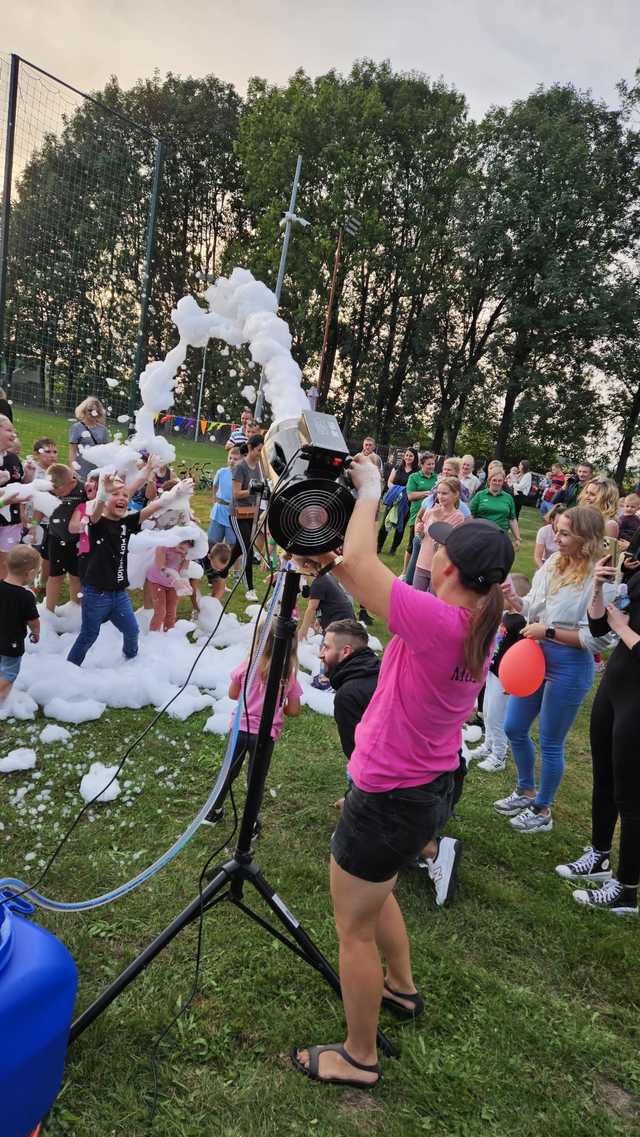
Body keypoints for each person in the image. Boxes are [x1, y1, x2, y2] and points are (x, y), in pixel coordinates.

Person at [290, 452, 513, 1089]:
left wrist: (370, 489)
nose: (431, 545)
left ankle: (359, 1057)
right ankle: (403, 988)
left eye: (439, 545)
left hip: (389, 795)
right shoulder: (478, 619)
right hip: (427, 788)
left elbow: (359, 564)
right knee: (378, 888)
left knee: (352, 928)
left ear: (448, 568)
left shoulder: (442, 622)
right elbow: (370, 575)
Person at [496, 506, 615, 833]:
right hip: (534, 656)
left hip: (569, 665)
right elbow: (532, 605)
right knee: (514, 727)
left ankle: (542, 808)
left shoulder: (599, 577)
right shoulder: (552, 562)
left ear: (587, 539)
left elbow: (598, 639)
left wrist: (547, 632)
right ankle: (525, 789)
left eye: (564, 533)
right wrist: (513, 600)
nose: (555, 538)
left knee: (550, 741)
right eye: (557, 531)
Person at [554, 553, 639, 915]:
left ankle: (627, 890)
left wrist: (622, 628)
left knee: (632, 798)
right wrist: (599, 588)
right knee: (603, 777)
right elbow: (601, 629)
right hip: (616, 685)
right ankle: (599, 857)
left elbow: (618, 628)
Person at [66, 473, 189, 666]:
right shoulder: (97, 523)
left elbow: (150, 509)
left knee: (132, 631)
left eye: (125, 495)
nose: (122, 497)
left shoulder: (125, 523)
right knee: (89, 635)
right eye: (116, 494)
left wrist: (172, 496)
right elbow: (97, 511)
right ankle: (70, 668)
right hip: (96, 594)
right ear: (106, 499)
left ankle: (130, 663)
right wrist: (102, 495)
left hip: (119, 594)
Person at [202, 619, 302, 827]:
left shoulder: (247, 666)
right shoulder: (288, 675)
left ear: (260, 641)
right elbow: (293, 710)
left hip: (239, 729)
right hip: (264, 736)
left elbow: (232, 694)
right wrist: (278, 705)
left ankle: (214, 811)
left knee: (228, 772)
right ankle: (250, 825)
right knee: (255, 780)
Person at [473, 573, 530, 772]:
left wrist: (513, 681)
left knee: (496, 716)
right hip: (493, 671)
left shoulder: (522, 624)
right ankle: (488, 745)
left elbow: (524, 655)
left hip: (505, 677)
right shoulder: (506, 617)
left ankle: (499, 755)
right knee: (487, 712)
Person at [320, 618, 380, 772]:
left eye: (326, 648)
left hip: (385, 782)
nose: (321, 654)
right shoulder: (384, 672)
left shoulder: (348, 696)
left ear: (346, 651)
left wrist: (355, 793)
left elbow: (358, 755)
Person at [0, 544, 40, 703]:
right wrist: (36, 633)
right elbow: (33, 621)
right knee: (9, 674)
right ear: (30, 573)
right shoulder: (26, 597)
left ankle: (4, 699)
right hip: (12, 643)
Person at [45, 463, 86, 612]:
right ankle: (48, 610)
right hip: (56, 537)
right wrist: (34, 524)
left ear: (72, 482)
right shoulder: (49, 489)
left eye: (59, 490)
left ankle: (75, 607)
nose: (55, 493)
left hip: (77, 540)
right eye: (52, 490)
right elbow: (39, 505)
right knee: (55, 575)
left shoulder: (82, 489)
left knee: (76, 575)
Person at [413, 476, 464, 592]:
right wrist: (419, 531)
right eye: (438, 493)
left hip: (439, 567)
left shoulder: (458, 517)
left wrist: (436, 518)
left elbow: (443, 541)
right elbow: (423, 537)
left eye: (444, 493)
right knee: (416, 599)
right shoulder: (431, 511)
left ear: (456, 495)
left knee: (432, 603)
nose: (440, 496)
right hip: (422, 563)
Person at [229, 435, 264, 601]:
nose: (260, 453)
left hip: (251, 513)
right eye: (258, 450)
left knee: (238, 548)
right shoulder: (240, 467)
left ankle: (219, 571)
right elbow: (236, 494)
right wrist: (252, 490)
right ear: (251, 448)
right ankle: (250, 588)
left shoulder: (258, 466)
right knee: (247, 550)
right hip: (237, 514)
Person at [146, 539, 194, 632]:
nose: (182, 552)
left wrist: (185, 581)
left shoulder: (187, 554)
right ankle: (153, 635)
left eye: (185, 550)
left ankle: (168, 633)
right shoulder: (163, 547)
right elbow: (161, 567)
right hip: (157, 581)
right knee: (160, 611)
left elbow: (184, 569)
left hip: (173, 585)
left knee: (171, 611)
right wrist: (174, 579)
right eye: (181, 548)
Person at [402, 451, 436, 578]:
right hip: (417, 515)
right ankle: (405, 572)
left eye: (433, 464)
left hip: (432, 516)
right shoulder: (414, 477)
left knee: (426, 545)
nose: (431, 466)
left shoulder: (437, 478)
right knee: (412, 544)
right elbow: (410, 496)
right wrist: (427, 493)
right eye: (428, 464)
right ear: (422, 464)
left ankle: (420, 571)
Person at [469, 468, 521, 550]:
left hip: (500, 537)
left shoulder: (508, 498)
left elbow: (512, 520)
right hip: (480, 535)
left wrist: (517, 538)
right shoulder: (480, 495)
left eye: (500, 481)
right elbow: (470, 515)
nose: (497, 483)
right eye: (494, 480)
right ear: (489, 481)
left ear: (503, 482)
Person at [377, 448, 417, 554]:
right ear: (404, 456)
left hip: (406, 503)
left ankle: (393, 548)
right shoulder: (397, 468)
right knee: (385, 523)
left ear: (415, 457)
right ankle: (379, 546)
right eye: (407, 455)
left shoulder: (416, 472)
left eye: (411, 456)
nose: (408, 457)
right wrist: (397, 491)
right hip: (394, 500)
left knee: (401, 526)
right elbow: (389, 482)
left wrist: (403, 493)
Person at [0, 414, 24, 578]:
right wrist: (4, 500)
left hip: (11, 522)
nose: (14, 434)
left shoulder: (13, 458)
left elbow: (19, 485)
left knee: (5, 561)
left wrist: (29, 477)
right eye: (9, 430)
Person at [68, 397, 109, 481]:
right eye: (89, 410)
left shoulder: (103, 429)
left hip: (97, 470)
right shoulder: (76, 427)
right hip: (80, 469)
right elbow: (72, 451)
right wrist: (72, 469)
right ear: (84, 411)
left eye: (96, 411)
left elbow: (106, 451)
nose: (92, 413)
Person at [209, 445, 241, 546]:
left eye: (235, 459)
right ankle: (208, 560)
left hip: (233, 513)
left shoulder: (242, 476)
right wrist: (215, 498)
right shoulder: (221, 472)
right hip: (219, 511)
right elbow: (215, 485)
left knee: (232, 543)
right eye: (230, 458)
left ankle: (228, 561)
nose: (232, 461)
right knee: (212, 541)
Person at [533, 503, 566, 569]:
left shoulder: (571, 534)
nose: (561, 526)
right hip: (546, 563)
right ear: (552, 520)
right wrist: (542, 571)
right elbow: (537, 557)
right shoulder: (544, 531)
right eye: (558, 522)